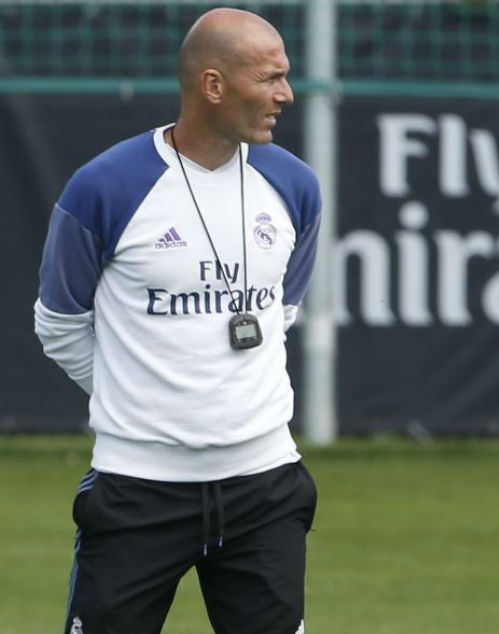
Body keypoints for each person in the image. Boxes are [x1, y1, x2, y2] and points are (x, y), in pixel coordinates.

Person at [34, 8, 320, 634]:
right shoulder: (104, 187)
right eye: (270, 78)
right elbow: (59, 324)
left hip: (265, 485)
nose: (286, 95)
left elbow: (280, 313)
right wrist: (139, 395)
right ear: (213, 85)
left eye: (286, 77)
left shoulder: (296, 185)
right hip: (138, 489)